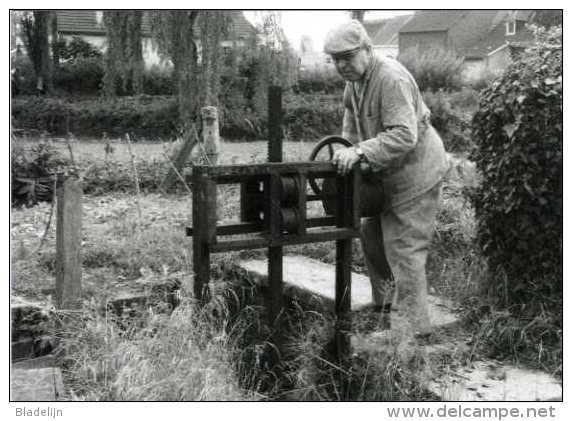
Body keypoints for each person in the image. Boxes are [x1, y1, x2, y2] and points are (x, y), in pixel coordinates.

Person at [323, 20, 449, 336]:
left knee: (403, 248)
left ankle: (411, 331)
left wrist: (361, 153)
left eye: (347, 57)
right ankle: (384, 309)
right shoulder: (353, 84)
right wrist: (348, 154)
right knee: (371, 238)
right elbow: (350, 132)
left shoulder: (390, 78)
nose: (341, 65)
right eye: (335, 59)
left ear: (367, 49)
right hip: (385, 177)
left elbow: (405, 135)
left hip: (416, 174)